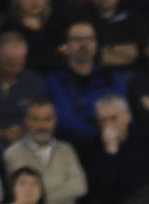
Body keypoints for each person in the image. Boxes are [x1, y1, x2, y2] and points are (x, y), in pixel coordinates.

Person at [46, 19, 126, 155]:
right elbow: (64, 121)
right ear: (66, 45)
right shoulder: (54, 81)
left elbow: (124, 114)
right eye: (77, 39)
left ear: (96, 44)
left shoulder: (111, 77)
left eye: (89, 39)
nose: (84, 44)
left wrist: (113, 132)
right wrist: (100, 134)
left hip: (117, 142)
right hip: (76, 148)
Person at [1, 97, 87, 204]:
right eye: (35, 120)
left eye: (47, 119)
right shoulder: (12, 153)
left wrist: (43, 197)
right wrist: (61, 192)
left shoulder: (67, 149)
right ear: (26, 121)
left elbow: (79, 186)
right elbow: (23, 193)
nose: (42, 126)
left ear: (55, 121)